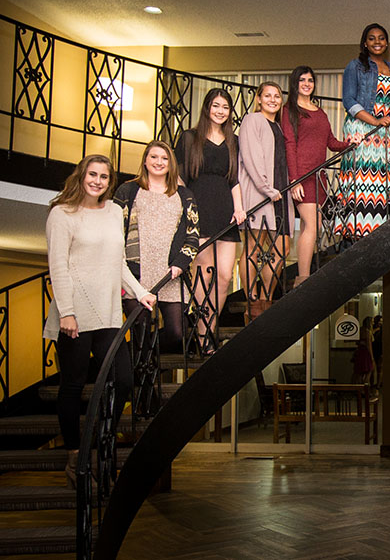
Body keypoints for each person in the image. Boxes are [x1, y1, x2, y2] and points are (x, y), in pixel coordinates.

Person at [45, 155, 156, 488]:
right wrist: (66, 312)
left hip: (108, 313)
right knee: (73, 386)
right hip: (75, 315)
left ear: (110, 182)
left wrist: (139, 292)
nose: (97, 181)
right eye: (92, 174)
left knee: (123, 380)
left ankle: (97, 441)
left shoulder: (112, 212)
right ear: (81, 176)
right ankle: (73, 457)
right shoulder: (61, 214)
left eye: (104, 177)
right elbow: (58, 266)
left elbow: (118, 261)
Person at [113, 141, 200, 352]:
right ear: (145, 160)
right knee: (140, 332)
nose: (159, 162)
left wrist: (181, 263)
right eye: (153, 157)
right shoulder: (127, 190)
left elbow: (193, 235)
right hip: (136, 275)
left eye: (164, 158)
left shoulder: (184, 194)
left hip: (170, 274)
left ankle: (147, 359)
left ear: (171, 164)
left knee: (177, 333)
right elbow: (113, 232)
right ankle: (140, 371)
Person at [175, 88, 246, 345]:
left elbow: (234, 179)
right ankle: (202, 335)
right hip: (199, 208)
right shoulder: (189, 137)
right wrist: (185, 210)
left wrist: (239, 208)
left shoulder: (232, 140)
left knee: (225, 276)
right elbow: (181, 179)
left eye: (225, 107)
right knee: (204, 276)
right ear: (207, 108)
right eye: (216, 105)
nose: (220, 111)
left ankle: (206, 329)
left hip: (226, 212)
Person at [283, 66, 353, 285]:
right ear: (295, 83)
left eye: (310, 80)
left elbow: (330, 142)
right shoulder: (289, 110)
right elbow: (289, 144)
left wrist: (349, 145)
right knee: (311, 226)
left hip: (319, 176)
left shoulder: (319, 111)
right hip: (302, 175)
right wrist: (294, 180)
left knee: (313, 227)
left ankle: (303, 274)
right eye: (302, 80)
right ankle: (302, 278)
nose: (307, 83)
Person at [339, 23, 390, 236]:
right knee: (362, 185)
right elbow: (348, 99)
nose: (377, 42)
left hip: (385, 133)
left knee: (382, 185)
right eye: (372, 38)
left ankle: (380, 233)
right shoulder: (355, 66)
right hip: (362, 130)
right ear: (365, 43)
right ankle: (358, 234)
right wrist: (374, 122)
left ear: (386, 42)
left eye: (382, 38)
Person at [238, 81, 292, 321]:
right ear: (258, 99)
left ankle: (265, 297)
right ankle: (251, 299)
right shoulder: (252, 120)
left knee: (281, 249)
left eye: (277, 96)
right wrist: (265, 188)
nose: (272, 99)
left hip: (281, 193)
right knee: (253, 248)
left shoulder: (278, 126)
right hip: (260, 193)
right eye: (267, 95)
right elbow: (251, 157)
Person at [351, 316, 376, 386]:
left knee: (360, 372)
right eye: (372, 321)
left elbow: (357, 342)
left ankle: (359, 389)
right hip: (366, 353)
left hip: (360, 351)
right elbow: (369, 345)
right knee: (369, 370)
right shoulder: (368, 332)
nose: (373, 323)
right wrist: (372, 357)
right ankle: (365, 387)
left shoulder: (360, 330)